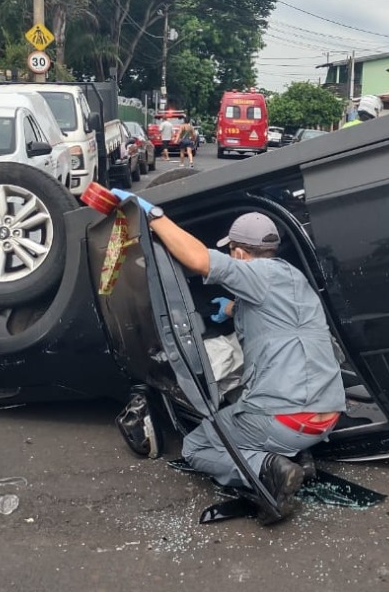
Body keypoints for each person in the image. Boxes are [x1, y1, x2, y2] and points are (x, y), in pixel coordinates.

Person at [115, 192, 345, 523]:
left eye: (232, 252)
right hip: (326, 416)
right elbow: (274, 315)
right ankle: (300, 458)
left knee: (197, 446)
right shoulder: (294, 279)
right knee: (241, 397)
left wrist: (153, 216)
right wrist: (231, 309)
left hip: (286, 420)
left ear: (238, 252)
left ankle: (269, 469)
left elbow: (198, 259)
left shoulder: (256, 272)